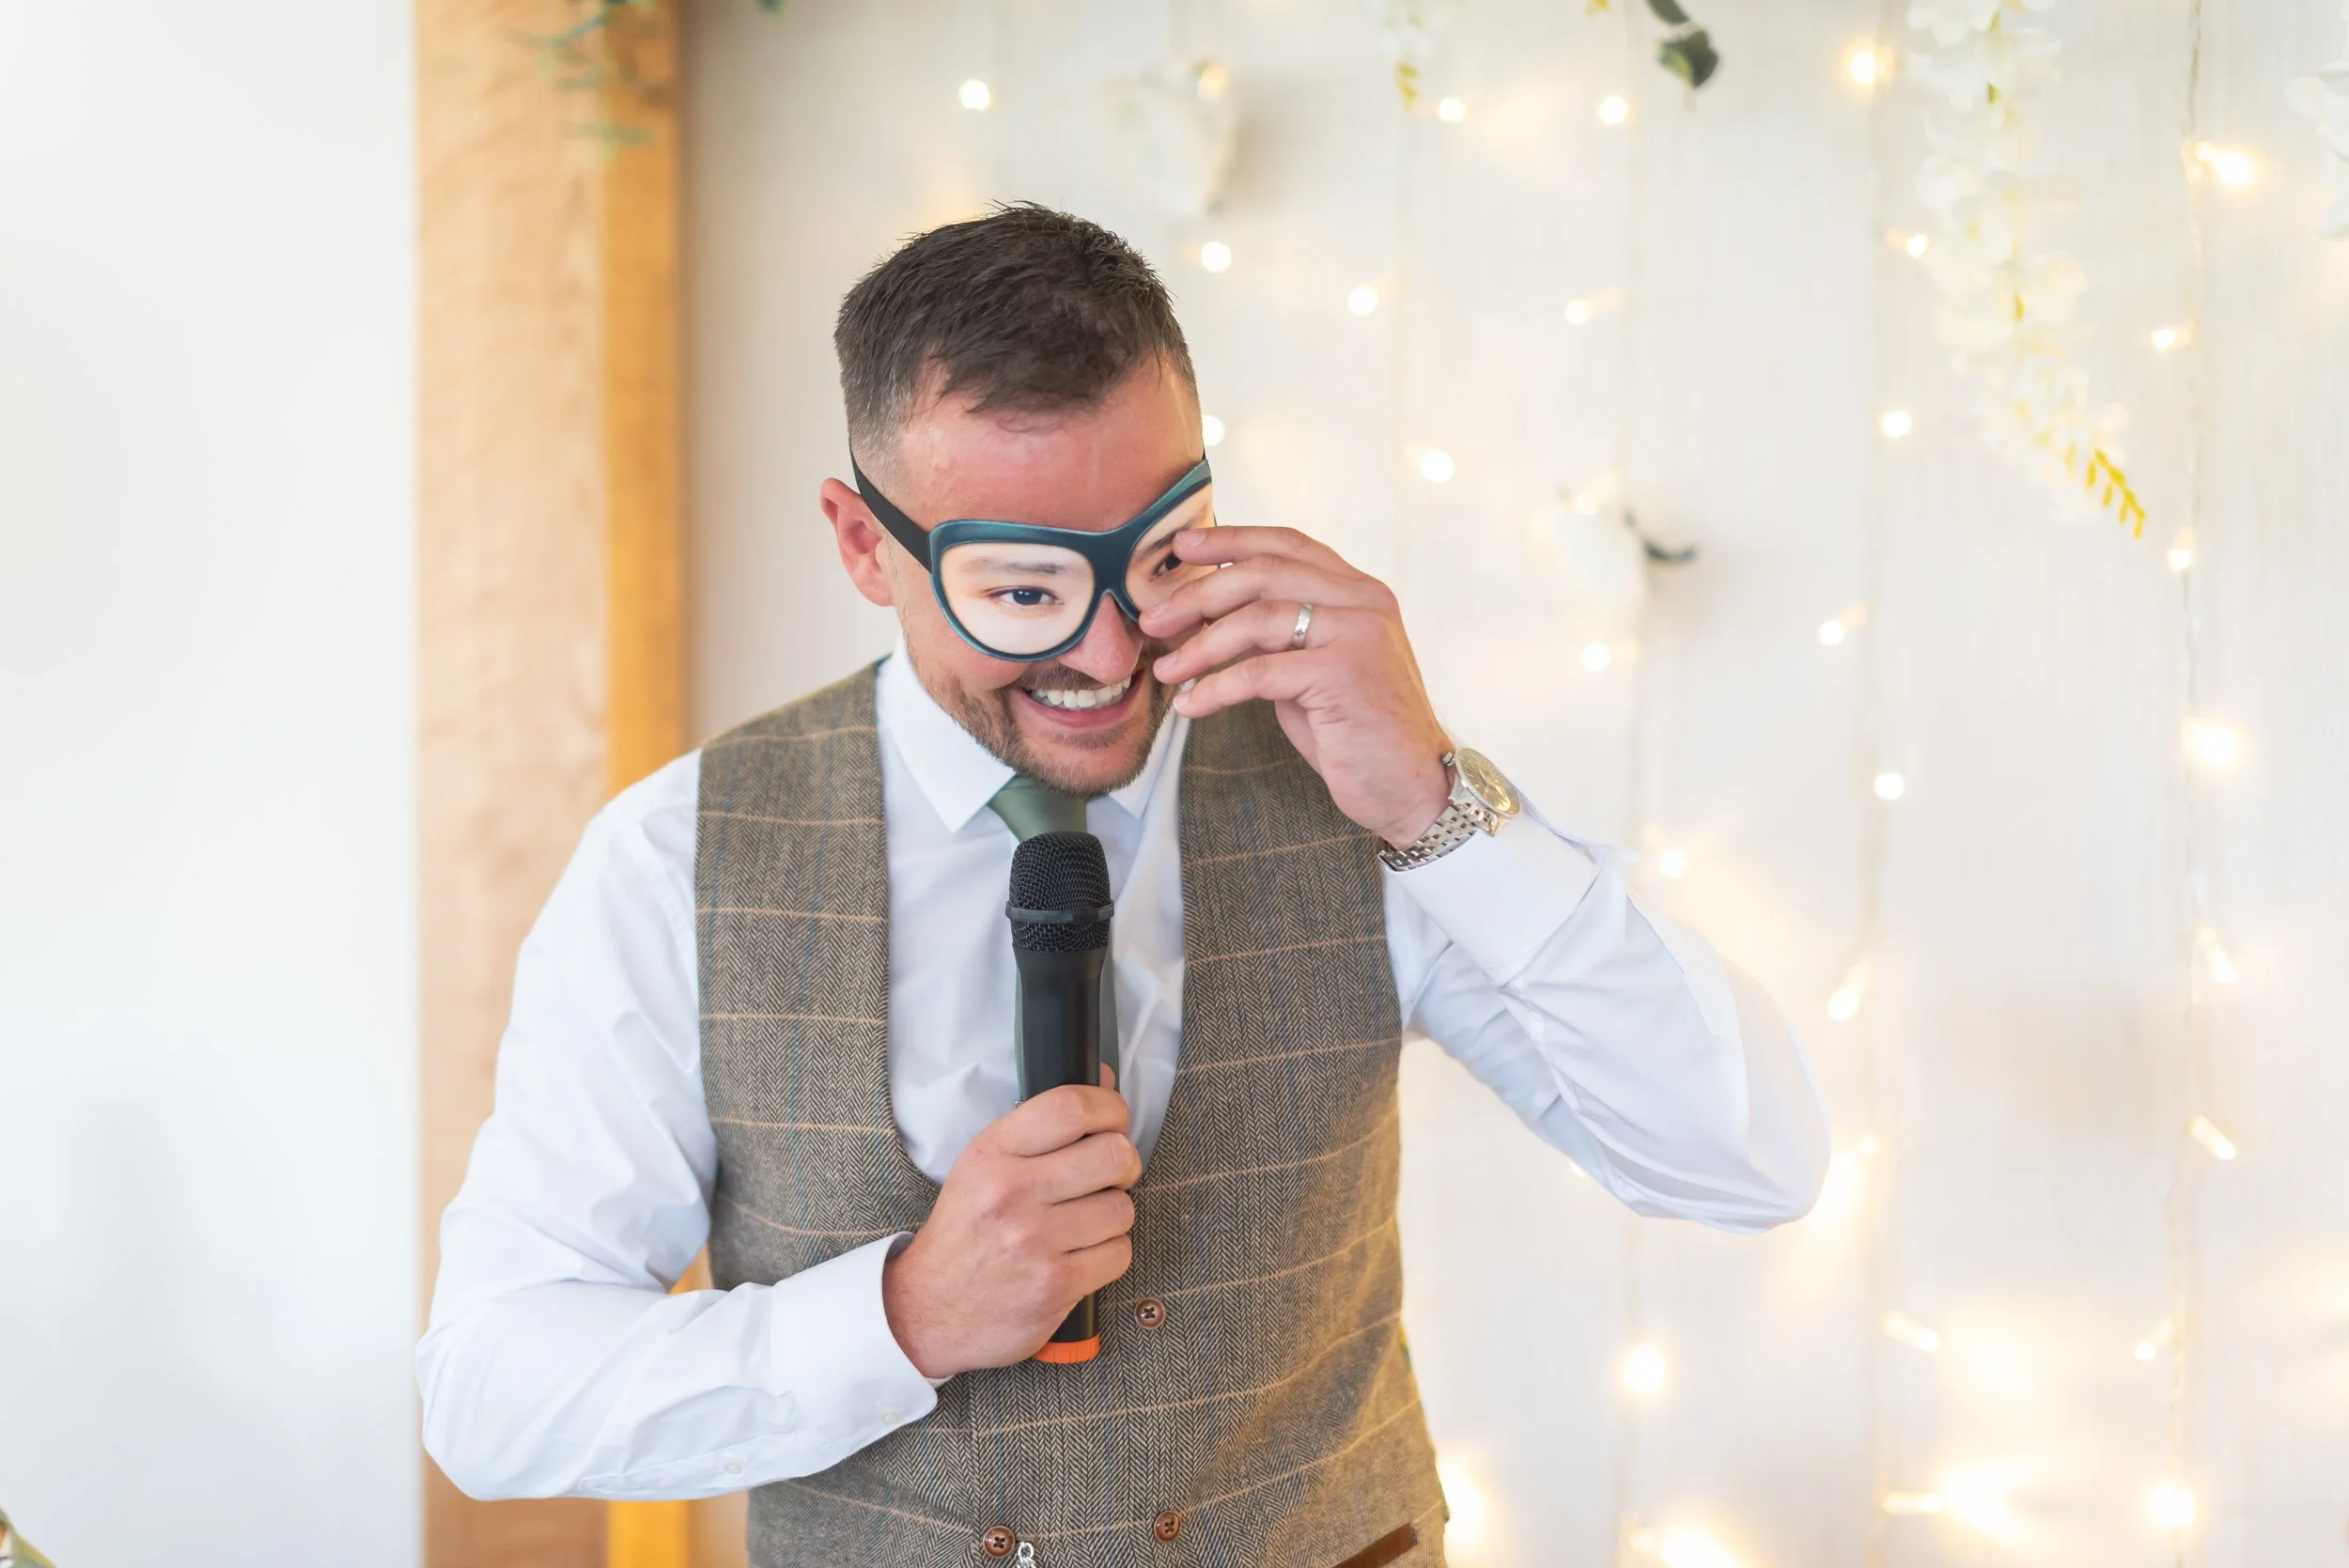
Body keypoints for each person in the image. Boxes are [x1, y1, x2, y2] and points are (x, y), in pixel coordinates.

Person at [417, 203, 1829, 1568]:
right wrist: (899, 1316)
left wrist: (1433, 804)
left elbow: (1744, 1161)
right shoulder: (681, 859)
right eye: (1024, 589)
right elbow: (494, 1387)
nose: (1107, 653)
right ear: (867, 547)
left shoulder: (1357, 787)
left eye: (1154, 557)